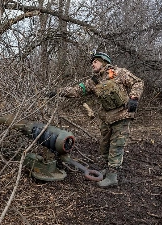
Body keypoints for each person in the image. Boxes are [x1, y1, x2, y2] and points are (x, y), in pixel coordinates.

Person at [49, 51, 144, 187]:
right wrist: (58, 92)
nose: (92, 64)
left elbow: (138, 82)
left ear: (104, 62)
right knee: (104, 146)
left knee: (116, 146)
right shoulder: (93, 81)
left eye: (95, 61)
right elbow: (76, 91)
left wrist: (134, 98)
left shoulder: (119, 73)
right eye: (92, 62)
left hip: (122, 116)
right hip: (106, 118)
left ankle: (112, 177)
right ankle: (107, 169)